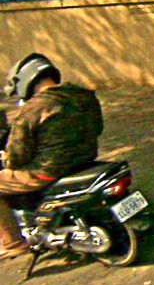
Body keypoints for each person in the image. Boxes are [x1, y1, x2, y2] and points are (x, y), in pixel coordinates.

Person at [0, 54, 104, 260]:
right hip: (85, 158)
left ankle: (13, 244)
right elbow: (98, 128)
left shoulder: (34, 108)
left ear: (26, 80)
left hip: (49, 169)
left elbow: (19, 153)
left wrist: (7, 159)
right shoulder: (83, 95)